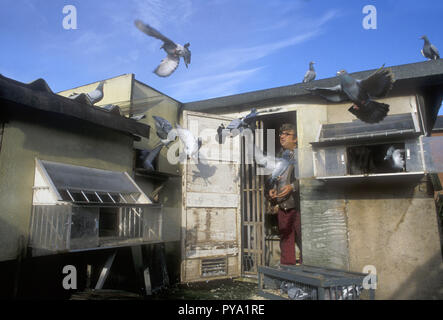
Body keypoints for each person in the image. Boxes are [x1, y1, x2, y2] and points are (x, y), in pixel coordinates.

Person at [267, 123, 302, 265]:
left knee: (304, 238)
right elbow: (276, 178)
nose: (281, 136)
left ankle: (308, 271)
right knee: (286, 240)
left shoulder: (301, 155)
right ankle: (288, 272)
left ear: (295, 139)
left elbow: (308, 177)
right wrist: (273, 188)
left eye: (286, 134)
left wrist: (292, 187)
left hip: (299, 205)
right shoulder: (280, 157)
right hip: (284, 205)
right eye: (281, 134)